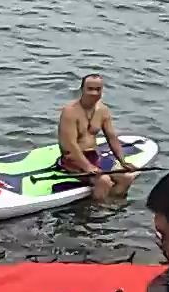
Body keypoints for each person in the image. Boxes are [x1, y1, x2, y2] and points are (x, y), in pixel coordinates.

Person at [56, 74, 138, 202]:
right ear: (82, 89)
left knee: (127, 178)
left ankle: (113, 205)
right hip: (72, 161)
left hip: (94, 157)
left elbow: (112, 137)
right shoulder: (70, 112)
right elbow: (69, 146)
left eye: (98, 89)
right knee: (104, 181)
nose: (94, 93)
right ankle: (97, 210)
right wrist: (88, 167)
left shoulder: (103, 110)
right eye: (90, 89)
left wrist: (123, 161)